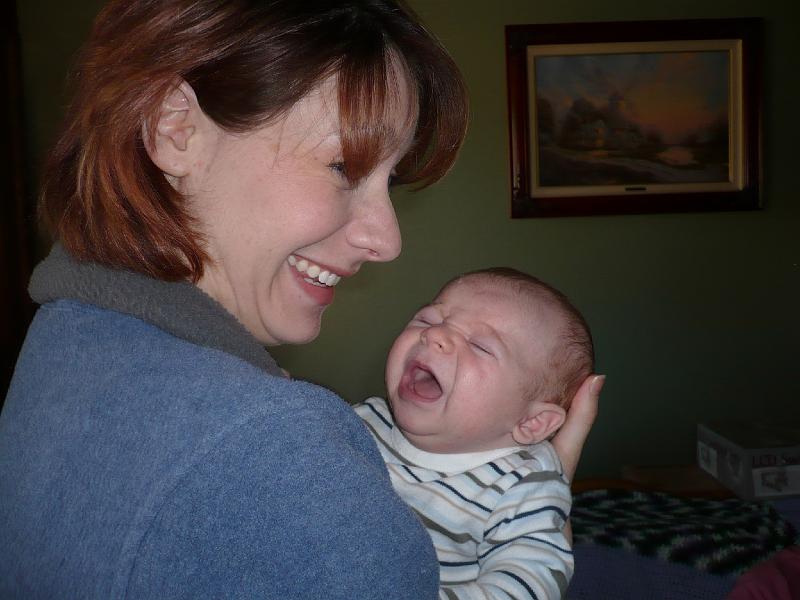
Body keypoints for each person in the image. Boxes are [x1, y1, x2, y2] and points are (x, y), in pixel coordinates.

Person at [0, 1, 601, 598]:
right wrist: (555, 507)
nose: (387, 240)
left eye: (387, 180)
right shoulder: (274, 444)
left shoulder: (67, 333)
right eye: (343, 166)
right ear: (174, 127)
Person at [356, 268, 595, 599]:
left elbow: (530, 580)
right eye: (427, 319)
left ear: (531, 422)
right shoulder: (362, 421)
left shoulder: (523, 485)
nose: (434, 334)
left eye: (481, 346)